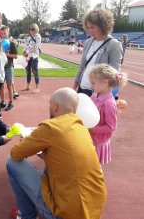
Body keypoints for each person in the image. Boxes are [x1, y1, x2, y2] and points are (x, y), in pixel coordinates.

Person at [7, 87, 107, 219]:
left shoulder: (51, 127)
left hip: (64, 213)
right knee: (53, 163)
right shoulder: (81, 127)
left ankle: (27, 215)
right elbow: (60, 157)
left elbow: (16, 153)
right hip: (93, 208)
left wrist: (26, 141)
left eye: (49, 104)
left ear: (55, 107)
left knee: (12, 163)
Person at [74, 8, 123, 97]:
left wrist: (109, 95)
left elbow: (114, 73)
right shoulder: (88, 42)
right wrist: (75, 86)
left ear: (103, 26)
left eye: (92, 27)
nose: (89, 30)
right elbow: (82, 66)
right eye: (88, 27)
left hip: (99, 93)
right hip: (82, 88)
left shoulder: (114, 45)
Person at [89, 64, 128, 165]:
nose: (91, 86)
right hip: (89, 138)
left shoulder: (109, 104)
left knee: (94, 168)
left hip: (97, 142)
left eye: (93, 83)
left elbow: (111, 127)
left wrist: (92, 129)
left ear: (105, 82)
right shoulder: (94, 95)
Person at [0, 25, 18, 111]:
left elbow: (15, 56)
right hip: (1, 67)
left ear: (8, 33)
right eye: (2, 34)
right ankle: (2, 102)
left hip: (9, 67)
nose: (3, 35)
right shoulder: (0, 43)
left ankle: (11, 103)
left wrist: (6, 54)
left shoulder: (11, 44)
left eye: (5, 33)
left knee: (9, 85)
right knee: (1, 85)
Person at [22, 23, 42, 93]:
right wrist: (24, 51)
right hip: (28, 56)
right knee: (28, 71)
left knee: (35, 71)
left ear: (36, 29)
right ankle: (28, 86)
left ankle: (37, 87)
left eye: (33, 29)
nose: (31, 30)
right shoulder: (29, 37)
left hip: (34, 56)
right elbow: (26, 45)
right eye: (30, 29)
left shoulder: (38, 37)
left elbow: (36, 47)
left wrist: (28, 52)